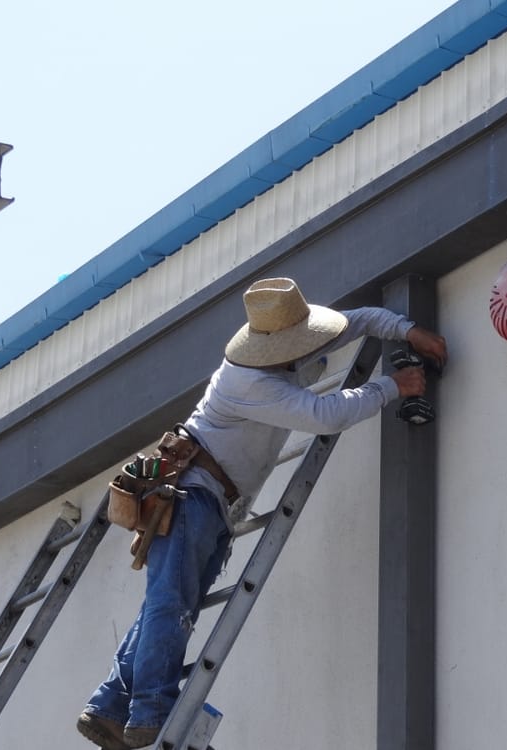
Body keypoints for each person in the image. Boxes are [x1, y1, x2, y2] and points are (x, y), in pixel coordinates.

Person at [77, 277, 448, 749]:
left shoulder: (280, 347)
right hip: (193, 494)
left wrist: (407, 329)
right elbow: (325, 415)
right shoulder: (248, 378)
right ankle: (149, 709)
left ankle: (111, 704)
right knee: (171, 605)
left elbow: (361, 321)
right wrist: (392, 387)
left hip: (210, 499)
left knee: (169, 604)